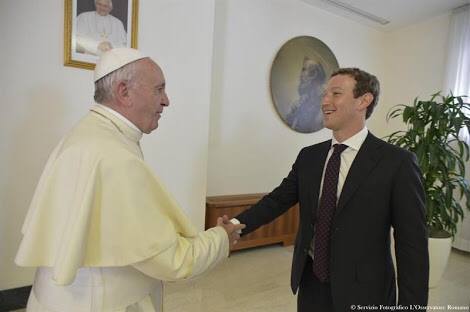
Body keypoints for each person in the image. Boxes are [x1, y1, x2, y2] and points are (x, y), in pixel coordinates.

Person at [15, 48, 245, 312]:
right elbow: (173, 261)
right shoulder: (112, 156)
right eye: (159, 89)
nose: (166, 100)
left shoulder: (88, 133)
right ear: (124, 92)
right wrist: (221, 238)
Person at [233, 68, 429, 311]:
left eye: (336, 93)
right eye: (325, 94)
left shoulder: (397, 163)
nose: (325, 100)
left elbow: (412, 247)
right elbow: (277, 200)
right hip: (311, 284)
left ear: (364, 101)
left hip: (366, 292)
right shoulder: (309, 157)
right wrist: (234, 225)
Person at [285, 57, 326, 133]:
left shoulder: (322, 102)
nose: (301, 74)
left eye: (304, 70)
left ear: (313, 75)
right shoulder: (301, 100)